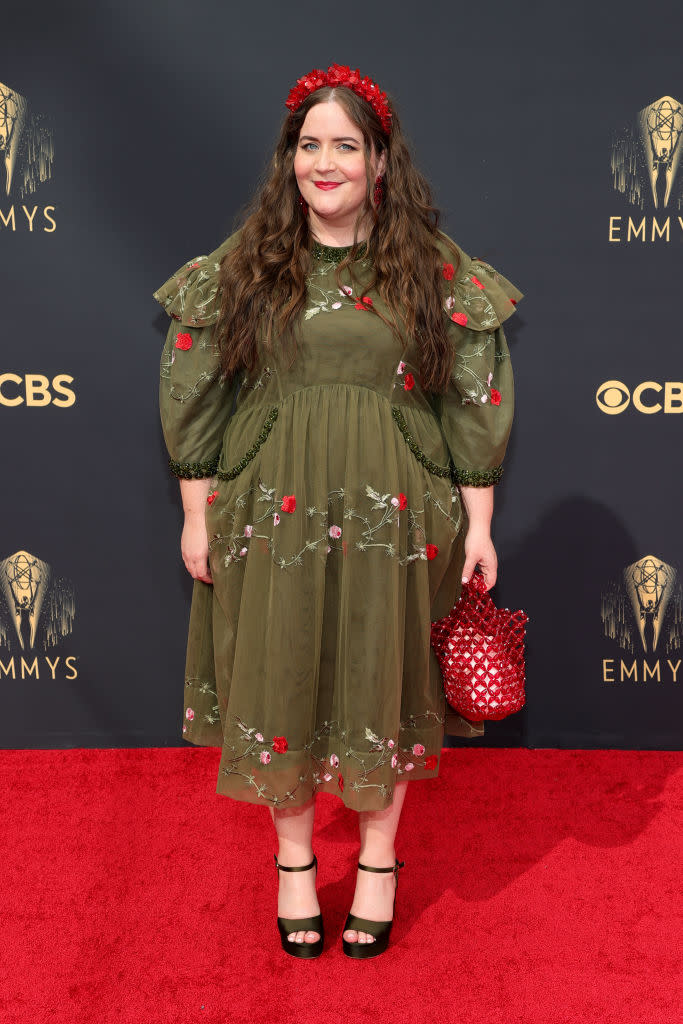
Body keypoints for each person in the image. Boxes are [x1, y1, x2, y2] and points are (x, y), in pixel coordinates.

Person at [153, 62, 524, 960]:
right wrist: (195, 512)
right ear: (289, 162)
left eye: (345, 146)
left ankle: (378, 865)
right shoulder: (243, 265)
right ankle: (291, 867)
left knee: (381, 678)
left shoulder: (432, 270)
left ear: (380, 162)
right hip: (268, 508)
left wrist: (477, 525)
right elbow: (193, 393)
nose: (325, 163)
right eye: (308, 145)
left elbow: (473, 396)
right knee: (278, 676)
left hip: (396, 512)